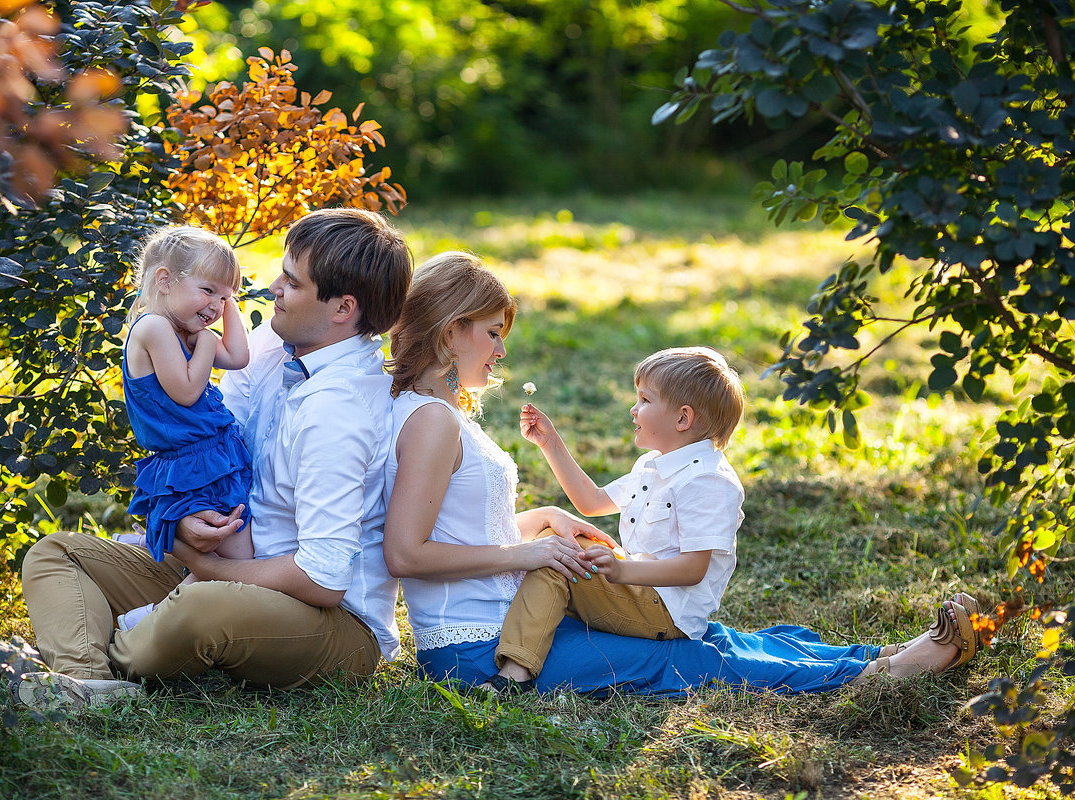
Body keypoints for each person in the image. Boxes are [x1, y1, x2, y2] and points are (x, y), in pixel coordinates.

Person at [382, 252, 982, 696]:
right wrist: (530, 556)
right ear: (451, 328)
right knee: (685, 663)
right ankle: (890, 671)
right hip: (477, 649)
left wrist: (539, 521)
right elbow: (408, 554)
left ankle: (875, 653)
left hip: (508, 620)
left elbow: (460, 525)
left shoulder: (444, 413)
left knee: (708, 639)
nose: (501, 351)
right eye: (493, 333)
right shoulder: (434, 421)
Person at [7, 208, 413, 712]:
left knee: (202, 605)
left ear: (342, 308)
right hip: (233, 561)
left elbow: (322, 580)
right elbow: (207, 454)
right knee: (56, 553)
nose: (272, 287)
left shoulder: (342, 409)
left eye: (290, 280)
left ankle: (106, 644)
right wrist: (186, 524)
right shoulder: (270, 347)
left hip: (332, 624)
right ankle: (87, 685)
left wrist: (203, 565)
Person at [482, 347, 745, 692]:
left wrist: (621, 571)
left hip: (664, 611)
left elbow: (692, 569)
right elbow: (591, 502)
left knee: (555, 560)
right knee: (558, 541)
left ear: (682, 419)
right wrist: (550, 443)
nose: (633, 409)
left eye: (645, 400)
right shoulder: (654, 464)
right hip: (639, 587)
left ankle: (513, 676)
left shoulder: (707, 481)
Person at [115, 226, 254, 632]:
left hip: (211, 459)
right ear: (165, 280)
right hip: (190, 468)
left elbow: (239, 357)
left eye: (225, 297)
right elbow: (188, 392)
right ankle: (149, 621)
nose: (215, 306)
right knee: (237, 561)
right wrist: (207, 341)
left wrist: (227, 306)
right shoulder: (154, 328)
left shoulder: (183, 330)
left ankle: (155, 589)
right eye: (208, 290)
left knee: (236, 555)